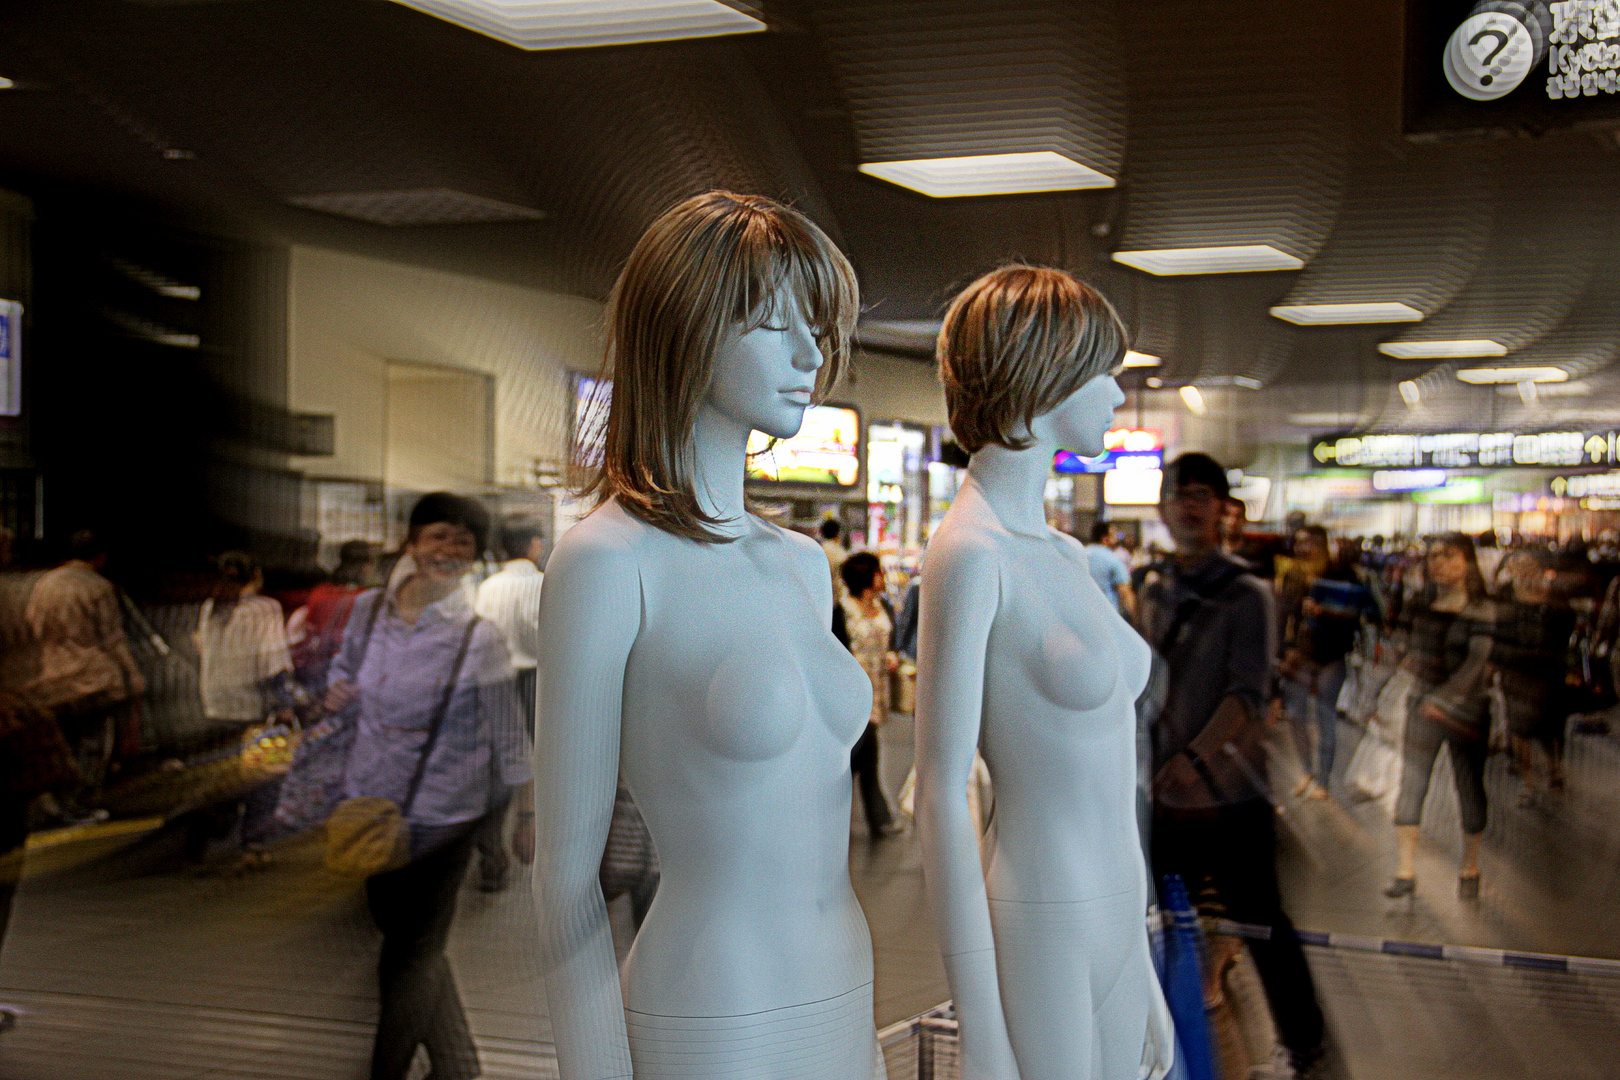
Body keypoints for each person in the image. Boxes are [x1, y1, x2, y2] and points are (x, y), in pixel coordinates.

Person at [534, 191, 883, 1080]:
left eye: (817, 326)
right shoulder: (609, 562)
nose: (812, 355)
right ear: (684, 332)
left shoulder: (806, 565)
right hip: (711, 1004)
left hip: (845, 983)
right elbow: (565, 877)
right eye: (774, 325)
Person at [915, 265, 1173, 1080]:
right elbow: (938, 790)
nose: (1117, 397)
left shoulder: (1061, 554)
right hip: (1042, 913)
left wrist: (1143, 964)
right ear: (1043, 371)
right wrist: (982, 1028)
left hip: (1116, 910)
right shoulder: (968, 556)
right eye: (1105, 372)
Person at [325, 491, 534, 1080]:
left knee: (408, 956)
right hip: (372, 806)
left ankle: (385, 1071)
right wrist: (338, 690)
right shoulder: (368, 611)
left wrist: (529, 817)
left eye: (462, 543)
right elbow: (344, 671)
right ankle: (459, 1065)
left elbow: (511, 737)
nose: (448, 550)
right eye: (438, 535)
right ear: (413, 542)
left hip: (448, 817)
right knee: (407, 944)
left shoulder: (480, 637)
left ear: (473, 558)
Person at [1142, 452, 1326, 1078]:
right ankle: (1165, 1041)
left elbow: (1249, 694)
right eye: (1178, 492)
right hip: (1163, 798)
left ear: (1223, 508)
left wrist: (1195, 759)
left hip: (1230, 798)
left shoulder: (1250, 595)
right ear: (1164, 506)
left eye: (1202, 493)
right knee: (1161, 923)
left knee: (1262, 923)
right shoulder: (1151, 585)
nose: (1189, 504)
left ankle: (1304, 1041)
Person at [1385, 534, 1496, 901]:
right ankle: (1405, 868)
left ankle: (1470, 865)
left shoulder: (1481, 606)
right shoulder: (1421, 601)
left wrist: (1442, 700)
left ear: (1467, 561)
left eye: (1448, 556)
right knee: (1412, 781)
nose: (1438, 563)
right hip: (1422, 705)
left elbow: (1476, 664)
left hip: (1466, 711)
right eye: (1433, 556)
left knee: (1469, 785)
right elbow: (1404, 643)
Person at [24, 529, 146, 820]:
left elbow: (33, 626)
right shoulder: (98, 587)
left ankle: (55, 800)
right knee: (92, 746)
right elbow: (112, 638)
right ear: (100, 556)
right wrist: (132, 674)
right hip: (91, 679)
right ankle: (79, 804)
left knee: (63, 745)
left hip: (53, 677)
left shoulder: (45, 583)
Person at [191, 551, 296, 866]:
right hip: (251, 706)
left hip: (213, 704)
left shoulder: (211, 607)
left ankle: (202, 839)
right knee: (264, 777)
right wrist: (285, 706)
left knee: (222, 775)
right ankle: (252, 844)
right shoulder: (265, 608)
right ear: (257, 575)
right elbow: (274, 661)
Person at [472, 514, 545, 891]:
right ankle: (526, 828)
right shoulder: (539, 583)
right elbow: (539, 636)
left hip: (490, 681)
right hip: (529, 679)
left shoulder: (488, 586)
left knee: (494, 762)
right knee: (527, 757)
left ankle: (491, 851)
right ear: (533, 544)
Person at [1276, 524, 1369, 801]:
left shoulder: (1343, 574)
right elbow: (1285, 615)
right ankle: (1307, 770)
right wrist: (1283, 651)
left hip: (1332, 655)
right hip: (1301, 655)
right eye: (1300, 542)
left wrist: (1325, 612)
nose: (1303, 548)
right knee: (1295, 715)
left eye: (1310, 543)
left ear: (1323, 545)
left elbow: (1356, 615)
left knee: (1325, 716)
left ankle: (1324, 781)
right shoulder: (1293, 574)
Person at [1493, 548, 1572, 805]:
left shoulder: (1554, 595)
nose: (1519, 568)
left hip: (1548, 672)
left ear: (1538, 567)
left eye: (1525, 563)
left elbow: (1567, 626)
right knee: (1519, 729)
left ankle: (1554, 769)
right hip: (1515, 671)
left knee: (1549, 727)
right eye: (1515, 563)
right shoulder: (1504, 594)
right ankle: (1528, 784)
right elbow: (1493, 628)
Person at [836, 550, 898, 840]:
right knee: (863, 753)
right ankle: (879, 818)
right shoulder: (841, 611)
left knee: (863, 756)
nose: (882, 577)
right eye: (879, 571)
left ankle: (877, 818)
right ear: (868, 576)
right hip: (851, 696)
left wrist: (893, 654)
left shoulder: (882, 605)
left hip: (879, 690)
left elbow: (891, 637)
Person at [286, 539, 378, 699]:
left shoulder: (320, 592)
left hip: (317, 668)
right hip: (348, 672)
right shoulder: (368, 598)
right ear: (366, 566)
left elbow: (309, 627)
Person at [1084, 520, 1137, 621]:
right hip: (1108, 617)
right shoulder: (1114, 559)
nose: (1116, 538)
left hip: (1084, 614)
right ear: (1105, 539)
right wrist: (1136, 619)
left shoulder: (1081, 555)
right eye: (1114, 535)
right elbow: (1125, 592)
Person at [820, 516, 847, 596]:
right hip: (837, 595)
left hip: (823, 594)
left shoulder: (819, 549)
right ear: (837, 533)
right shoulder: (840, 553)